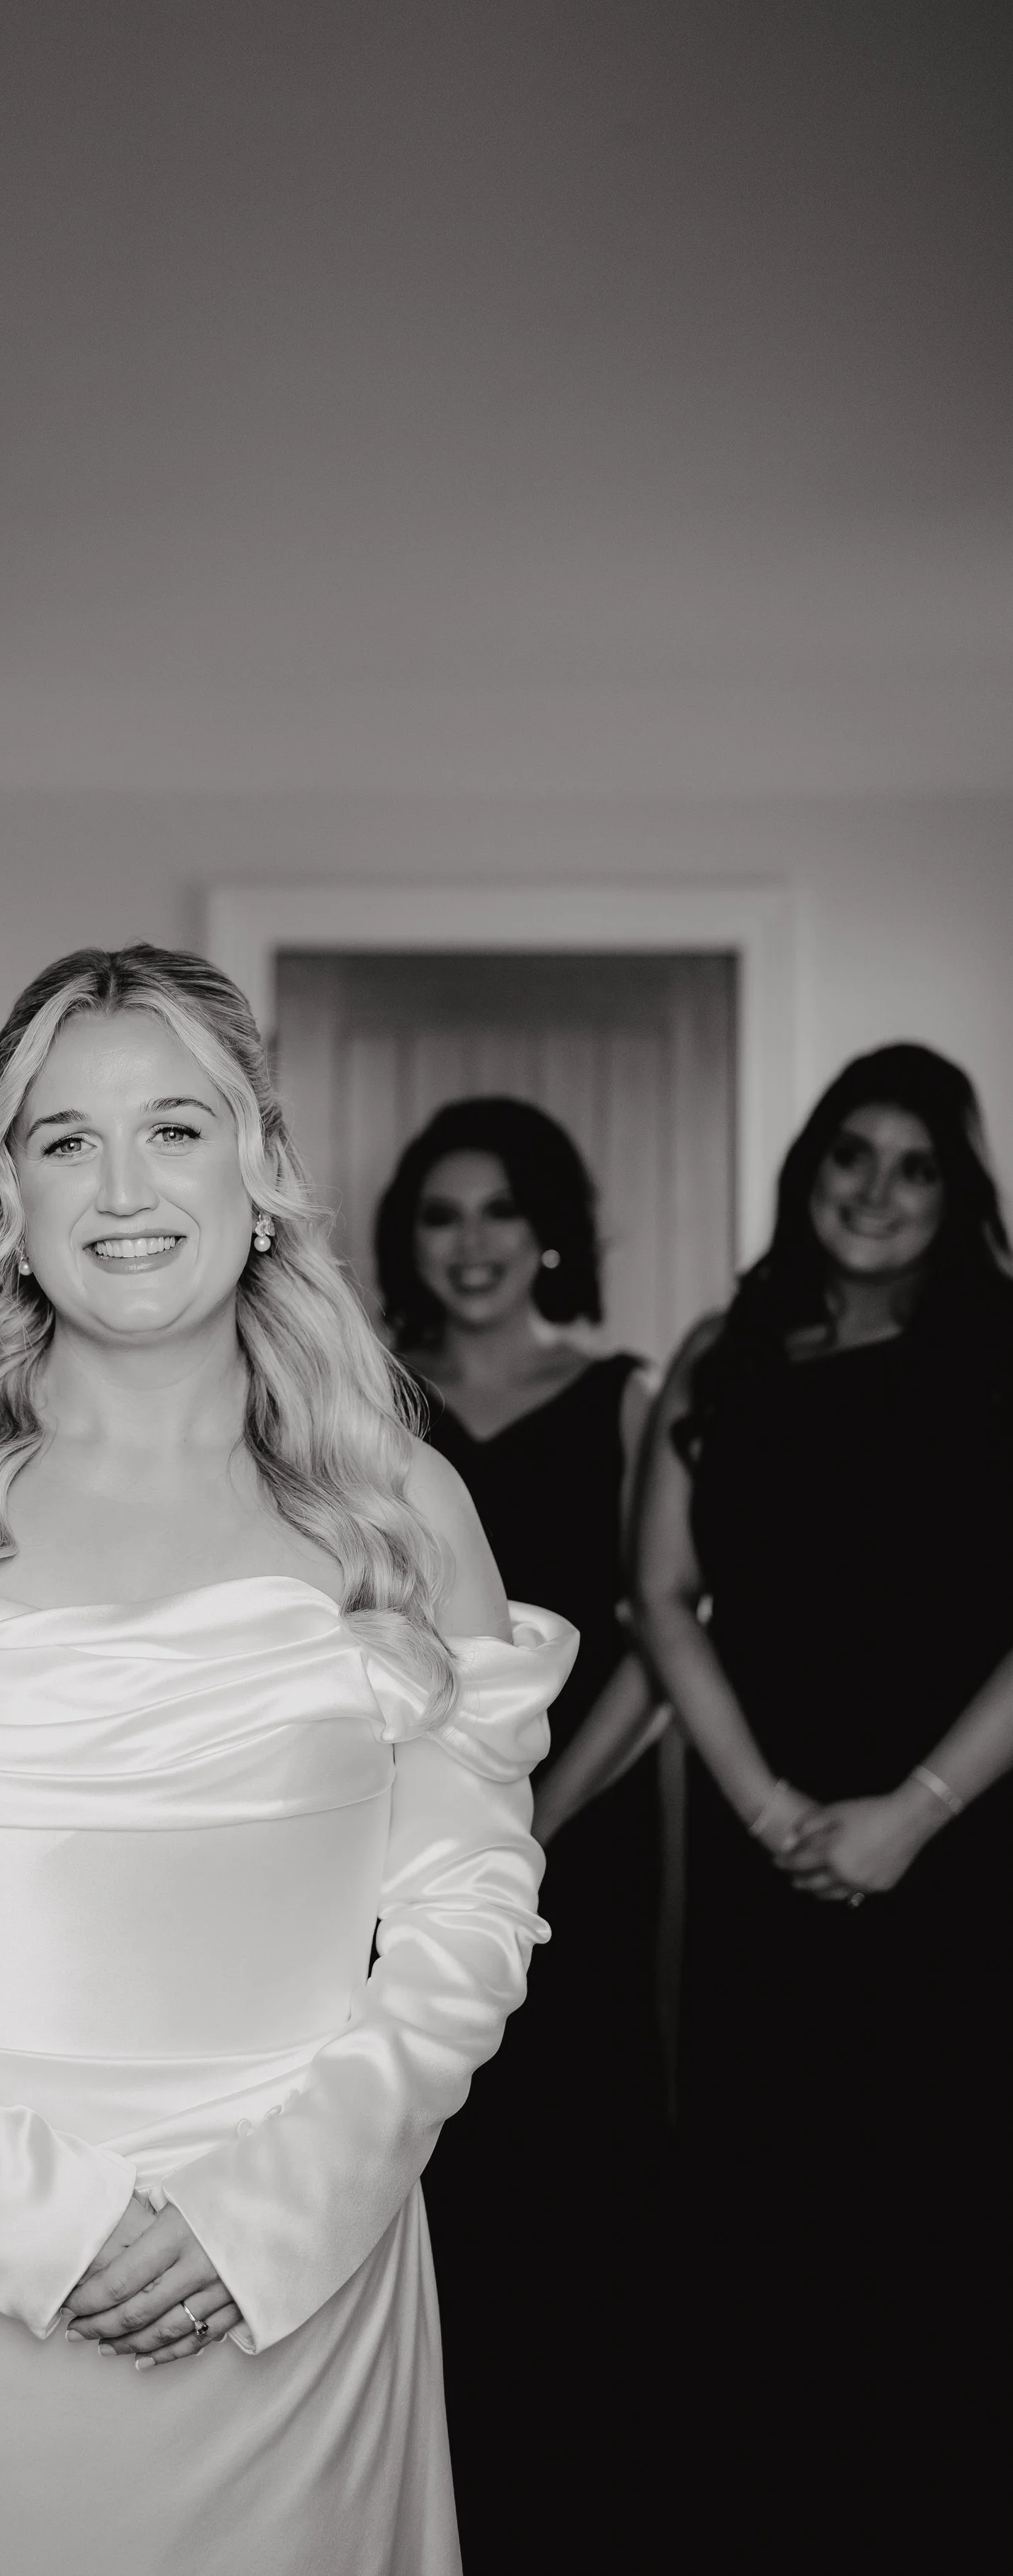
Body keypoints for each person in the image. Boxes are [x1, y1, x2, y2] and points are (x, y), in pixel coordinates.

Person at [0, 944, 578, 2575]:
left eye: (173, 1125)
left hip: (298, 2248)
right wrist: (24, 2211)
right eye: (62, 1136)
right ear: (5, 1195)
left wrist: (272, 2208)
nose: (121, 1183)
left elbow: (470, 1915)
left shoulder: (401, 1506)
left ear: (261, 1169)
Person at [632, 1044, 1013, 2574]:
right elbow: (660, 1598)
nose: (873, 1190)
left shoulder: (1000, 1351)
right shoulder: (722, 1353)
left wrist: (907, 1814)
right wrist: (766, 1805)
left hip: (960, 1844)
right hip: (763, 1845)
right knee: (767, 2216)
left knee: (937, 2222)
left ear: (954, 1193)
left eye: (913, 1166)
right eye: (848, 1155)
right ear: (805, 1170)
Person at [375, 1097, 667, 2572]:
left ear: (549, 1228)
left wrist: (532, 1819)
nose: (471, 1242)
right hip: (391, 1871)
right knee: (421, 2172)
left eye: (498, 1211)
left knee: (575, 2187)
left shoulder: (622, 1396)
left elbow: (657, 1640)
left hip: (577, 1853)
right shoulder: (359, 1404)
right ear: (403, 1241)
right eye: (439, 1214)